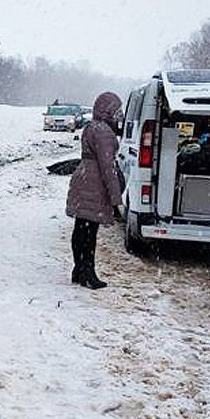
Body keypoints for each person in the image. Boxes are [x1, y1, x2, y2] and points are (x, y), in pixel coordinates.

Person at [65, 92, 124, 289]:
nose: (119, 115)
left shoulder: (91, 127)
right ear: (109, 111)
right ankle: (88, 273)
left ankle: (79, 269)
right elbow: (108, 167)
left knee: (81, 228)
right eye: (117, 111)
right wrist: (116, 197)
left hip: (83, 179)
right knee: (90, 232)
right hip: (95, 184)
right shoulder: (104, 132)